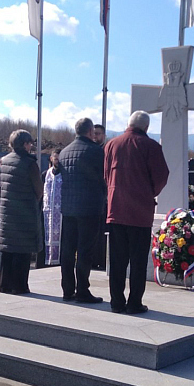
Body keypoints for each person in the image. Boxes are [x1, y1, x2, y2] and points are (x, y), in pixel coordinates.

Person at [104, 111, 170, 314]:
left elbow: (106, 174)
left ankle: (116, 302)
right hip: (140, 213)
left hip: (116, 210)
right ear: (146, 128)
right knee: (138, 261)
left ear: (128, 123)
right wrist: (149, 192)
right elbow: (161, 176)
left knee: (117, 260)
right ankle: (134, 303)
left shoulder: (112, 144)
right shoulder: (151, 147)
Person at [58, 118, 106, 303]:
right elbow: (103, 177)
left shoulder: (64, 152)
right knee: (85, 251)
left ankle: (67, 290)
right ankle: (83, 290)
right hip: (89, 207)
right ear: (90, 131)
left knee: (68, 250)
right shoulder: (96, 151)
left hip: (68, 207)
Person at [0, 130, 43, 295]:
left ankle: (4, 284)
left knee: (8, 248)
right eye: (30, 143)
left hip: (7, 212)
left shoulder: (4, 161)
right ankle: (19, 286)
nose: (31, 146)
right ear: (25, 144)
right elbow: (39, 190)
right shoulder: (30, 164)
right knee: (22, 250)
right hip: (24, 212)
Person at [91, 123, 108, 270]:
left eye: (98, 134)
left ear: (104, 136)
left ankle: (101, 260)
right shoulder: (88, 150)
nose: (95, 136)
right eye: (94, 133)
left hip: (103, 197)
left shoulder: (106, 151)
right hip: (90, 198)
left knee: (102, 232)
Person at [42, 150, 62, 267]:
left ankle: (58, 260)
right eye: (55, 158)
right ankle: (48, 259)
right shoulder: (47, 173)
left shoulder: (64, 173)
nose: (57, 160)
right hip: (49, 211)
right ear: (51, 158)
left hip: (60, 212)